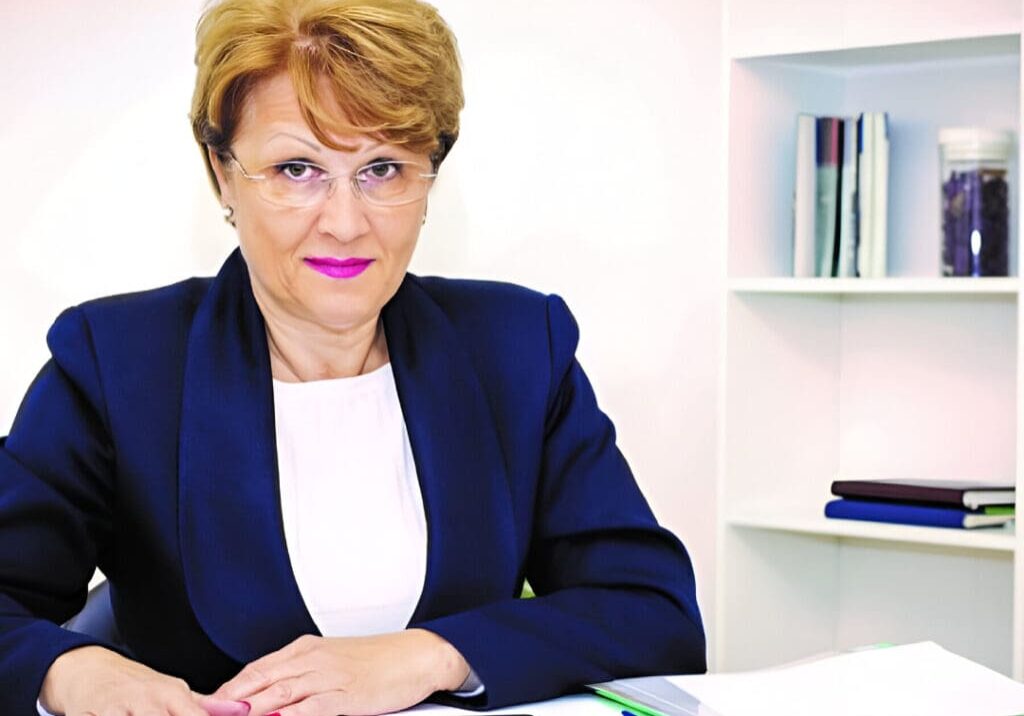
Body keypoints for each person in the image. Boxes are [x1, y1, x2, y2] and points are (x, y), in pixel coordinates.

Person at [0, 0, 706, 714]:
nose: (344, 223)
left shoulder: (518, 347)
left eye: (383, 169)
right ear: (223, 174)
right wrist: (74, 674)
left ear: (430, 176)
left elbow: (654, 613)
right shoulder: (117, 364)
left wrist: (432, 655)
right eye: (296, 168)